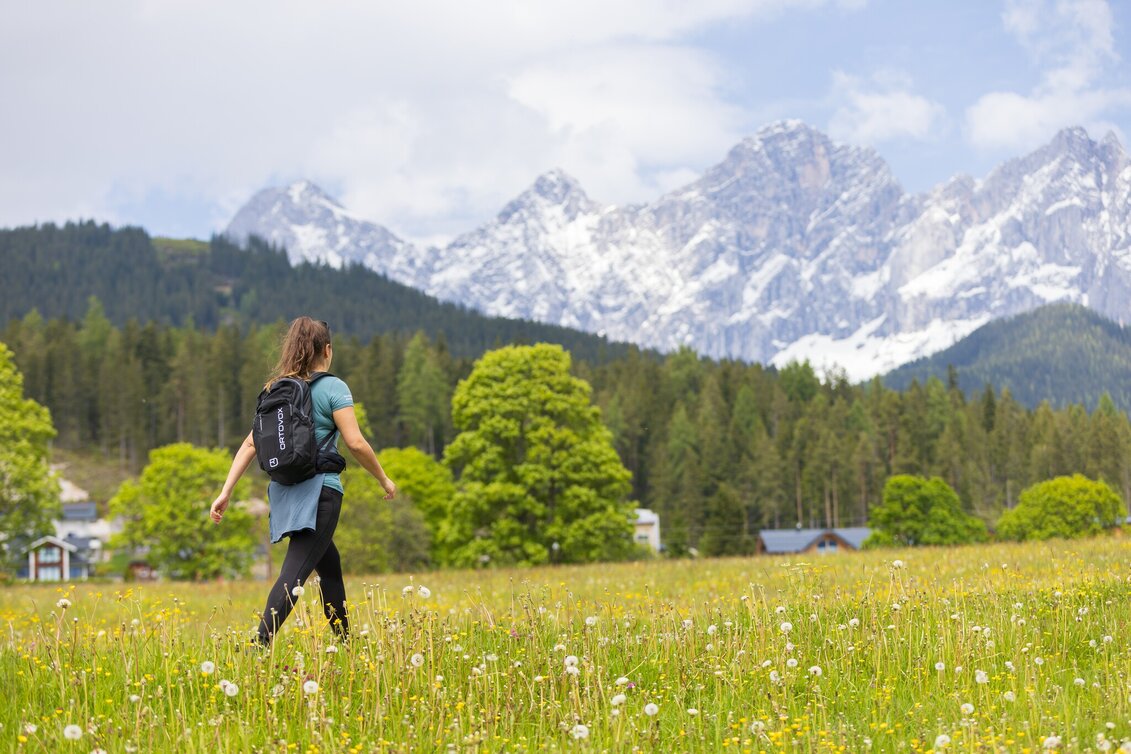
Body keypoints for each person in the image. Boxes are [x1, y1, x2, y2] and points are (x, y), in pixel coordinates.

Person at [209, 316, 396, 645]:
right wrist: (384, 478)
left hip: (285, 494)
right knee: (293, 574)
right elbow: (355, 443)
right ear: (327, 350)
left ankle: (346, 644)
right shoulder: (333, 388)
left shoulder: (277, 390)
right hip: (321, 493)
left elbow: (250, 444)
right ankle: (259, 646)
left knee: (329, 566)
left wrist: (226, 491)